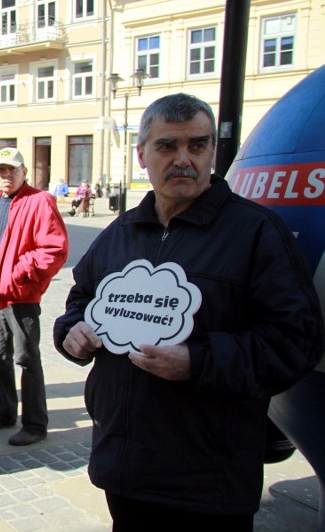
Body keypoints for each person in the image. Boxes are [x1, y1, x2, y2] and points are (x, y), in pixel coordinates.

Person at [53, 93, 324, 529]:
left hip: (207, 482)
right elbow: (80, 303)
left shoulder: (256, 233)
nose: (183, 159)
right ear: (142, 154)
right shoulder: (120, 232)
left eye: (197, 145)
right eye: (167, 146)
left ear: (213, 152)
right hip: (124, 468)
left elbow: (296, 343)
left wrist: (197, 360)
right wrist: (73, 333)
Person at [0, 147, 69, 446]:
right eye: (1, 170)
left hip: (21, 296)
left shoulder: (40, 201)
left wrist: (21, 271)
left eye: (12, 170)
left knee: (27, 360)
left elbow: (55, 249)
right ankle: (5, 412)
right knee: (0, 358)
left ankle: (35, 424)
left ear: (24, 172)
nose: (6, 175)